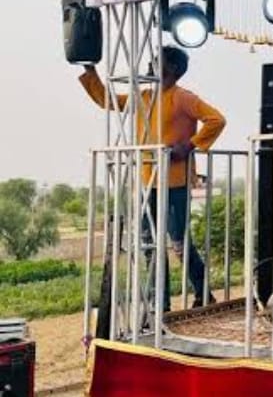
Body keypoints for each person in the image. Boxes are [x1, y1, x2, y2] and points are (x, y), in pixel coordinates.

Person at [80, 46, 226, 310]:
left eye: (157, 61)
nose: (150, 64)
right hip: (147, 181)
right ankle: (161, 304)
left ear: (173, 68)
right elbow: (106, 100)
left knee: (179, 242)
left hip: (175, 182)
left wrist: (189, 146)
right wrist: (90, 71)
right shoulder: (144, 96)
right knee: (150, 244)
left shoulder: (182, 97)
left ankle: (203, 292)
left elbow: (216, 120)